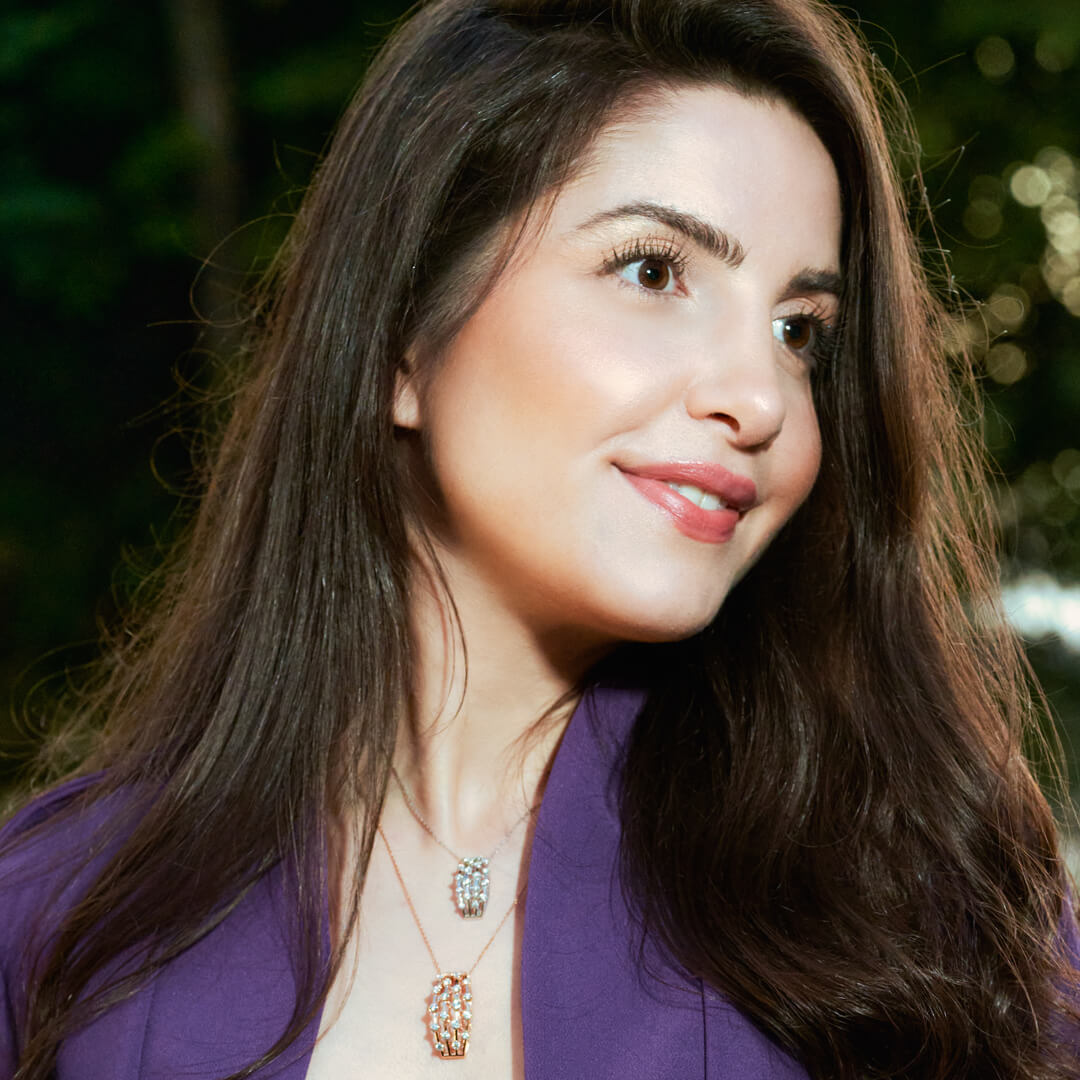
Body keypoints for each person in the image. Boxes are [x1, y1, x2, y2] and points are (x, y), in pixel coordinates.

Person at [2, 0, 1077, 1076]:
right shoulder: (59, 924)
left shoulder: (927, 916)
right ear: (403, 337)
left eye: (799, 332)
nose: (762, 398)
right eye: (653, 272)